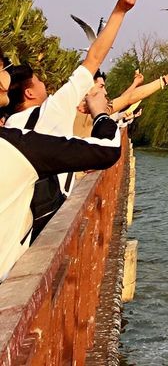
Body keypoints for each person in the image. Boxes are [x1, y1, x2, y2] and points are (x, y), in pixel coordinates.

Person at [3, 0, 139, 239]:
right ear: (29, 93)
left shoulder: (10, 128)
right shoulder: (51, 110)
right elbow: (94, 58)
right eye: (40, 81)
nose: (47, 84)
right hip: (53, 227)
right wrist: (120, 10)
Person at [0, 55, 122, 280]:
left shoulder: (12, 128)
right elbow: (107, 150)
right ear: (29, 93)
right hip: (17, 269)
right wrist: (100, 112)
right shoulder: (23, 139)